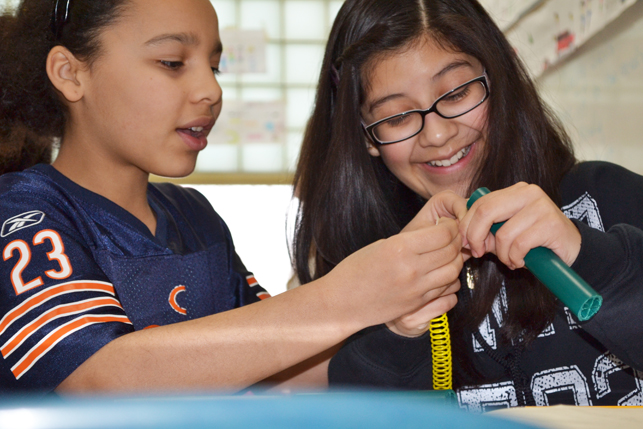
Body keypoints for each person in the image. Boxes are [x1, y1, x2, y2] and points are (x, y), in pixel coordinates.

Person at [0, 0, 465, 394]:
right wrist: (344, 297)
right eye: (172, 63)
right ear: (69, 73)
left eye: (215, 66)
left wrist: (398, 303)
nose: (211, 90)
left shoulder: (194, 215)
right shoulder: (25, 212)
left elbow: (277, 370)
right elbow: (97, 380)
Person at [293, 0, 643, 409]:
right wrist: (396, 333)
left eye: (458, 93)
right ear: (367, 139)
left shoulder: (609, 195)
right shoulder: (360, 268)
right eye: (397, 118)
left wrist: (590, 257)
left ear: (497, 79)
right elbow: (356, 414)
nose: (438, 135)